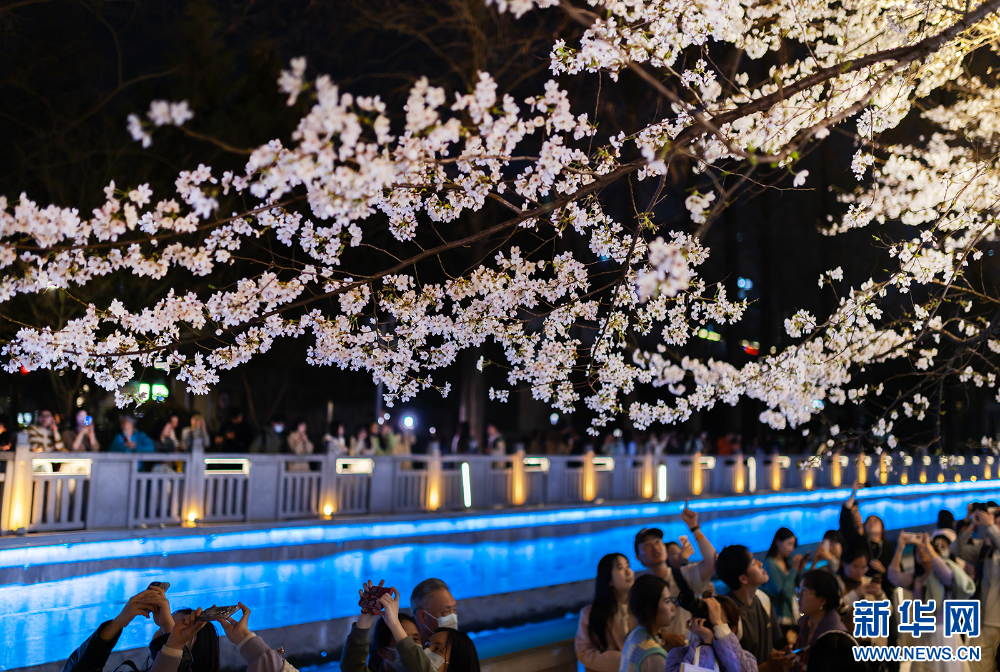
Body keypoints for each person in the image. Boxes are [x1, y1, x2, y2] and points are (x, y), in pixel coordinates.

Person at [888, 531, 975, 672]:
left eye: (925, 549)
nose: (921, 552)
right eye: (918, 550)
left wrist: (928, 546)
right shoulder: (917, 578)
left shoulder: (943, 570)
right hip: (923, 633)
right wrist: (900, 547)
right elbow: (894, 576)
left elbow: (947, 575)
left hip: (943, 633)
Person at [634, 502, 717, 641]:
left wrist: (694, 528)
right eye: (647, 545)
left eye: (657, 542)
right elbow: (636, 628)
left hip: (689, 654)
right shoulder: (639, 589)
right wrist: (664, 637)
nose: (655, 547)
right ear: (638, 558)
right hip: (657, 656)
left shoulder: (683, 575)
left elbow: (712, 561)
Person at [715, 545, 792, 672]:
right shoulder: (728, 613)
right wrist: (767, 667)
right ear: (743, 578)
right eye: (753, 563)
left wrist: (779, 655)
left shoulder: (763, 599)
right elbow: (729, 667)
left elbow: (765, 648)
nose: (761, 564)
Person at [575, 553, 637, 672]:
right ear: (609, 580)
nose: (629, 572)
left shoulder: (641, 606)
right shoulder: (589, 613)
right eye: (620, 568)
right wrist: (622, 660)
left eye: (628, 566)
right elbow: (584, 651)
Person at [665, 595, 758, 672]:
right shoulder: (677, 656)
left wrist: (719, 627)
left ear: (732, 629)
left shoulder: (747, 659)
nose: (709, 623)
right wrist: (706, 643)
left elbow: (736, 668)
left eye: (718, 620)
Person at [964, 508, 999, 672]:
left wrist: (991, 526)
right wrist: (972, 525)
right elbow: (958, 549)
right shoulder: (985, 552)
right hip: (984, 621)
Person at [618, 573, 675, 672]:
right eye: (667, 601)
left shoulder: (634, 635)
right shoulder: (654, 656)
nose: (672, 607)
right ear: (649, 609)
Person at [794, 570, 846, 671]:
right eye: (799, 590)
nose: (798, 596)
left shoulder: (834, 636)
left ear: (822, 600)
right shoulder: (806, 624)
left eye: (804, 591)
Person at [763, 528, 810, 627]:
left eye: (793, 545)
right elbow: (785, 593)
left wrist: (799, 570)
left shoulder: (786, 562)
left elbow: (797, 586)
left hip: (793, 613)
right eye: (789, 544)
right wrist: (794, 569)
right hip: (780, 618)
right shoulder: (770, 563)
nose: (792, 548)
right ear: (778, 542)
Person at [411, 578, 458, 645]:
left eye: (454, 609)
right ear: (422, 616)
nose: (453, 618)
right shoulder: (411, 653)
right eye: (446, 612)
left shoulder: (459, 648)